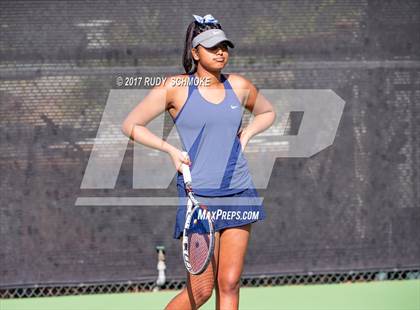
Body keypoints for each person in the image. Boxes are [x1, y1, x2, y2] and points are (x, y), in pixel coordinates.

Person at [121, 14, 276, 310]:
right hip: (200, 198)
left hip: (239, 193)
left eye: (224, 46)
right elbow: (131, 124)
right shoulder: (175, 88)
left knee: (229, 284)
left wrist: (248, 134)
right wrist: (169, 149)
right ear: (195, 52)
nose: (221, 52)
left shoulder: (239, 85)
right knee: (202, 291)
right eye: (212, 47)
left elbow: (267, 112)